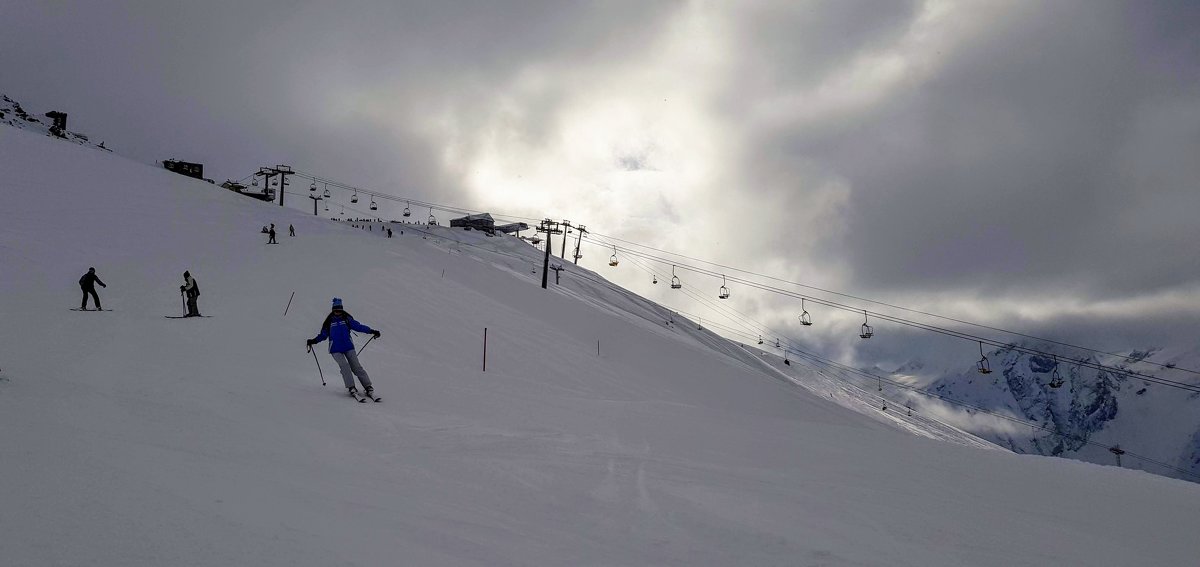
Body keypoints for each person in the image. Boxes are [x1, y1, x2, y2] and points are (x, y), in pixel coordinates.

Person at [306, 297, 380, 399]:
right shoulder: (329, 322)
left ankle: (368, 387)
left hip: (348, 347)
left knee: (356, 367)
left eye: (339, 311)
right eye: (336, 311)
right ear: (333, 310)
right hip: (335, 349)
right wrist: (314, 340)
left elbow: (359, 327)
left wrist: (372, 331)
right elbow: (323, 335)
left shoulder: (346, 319)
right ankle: (351, 387)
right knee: (345, 366)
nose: (338, 313)